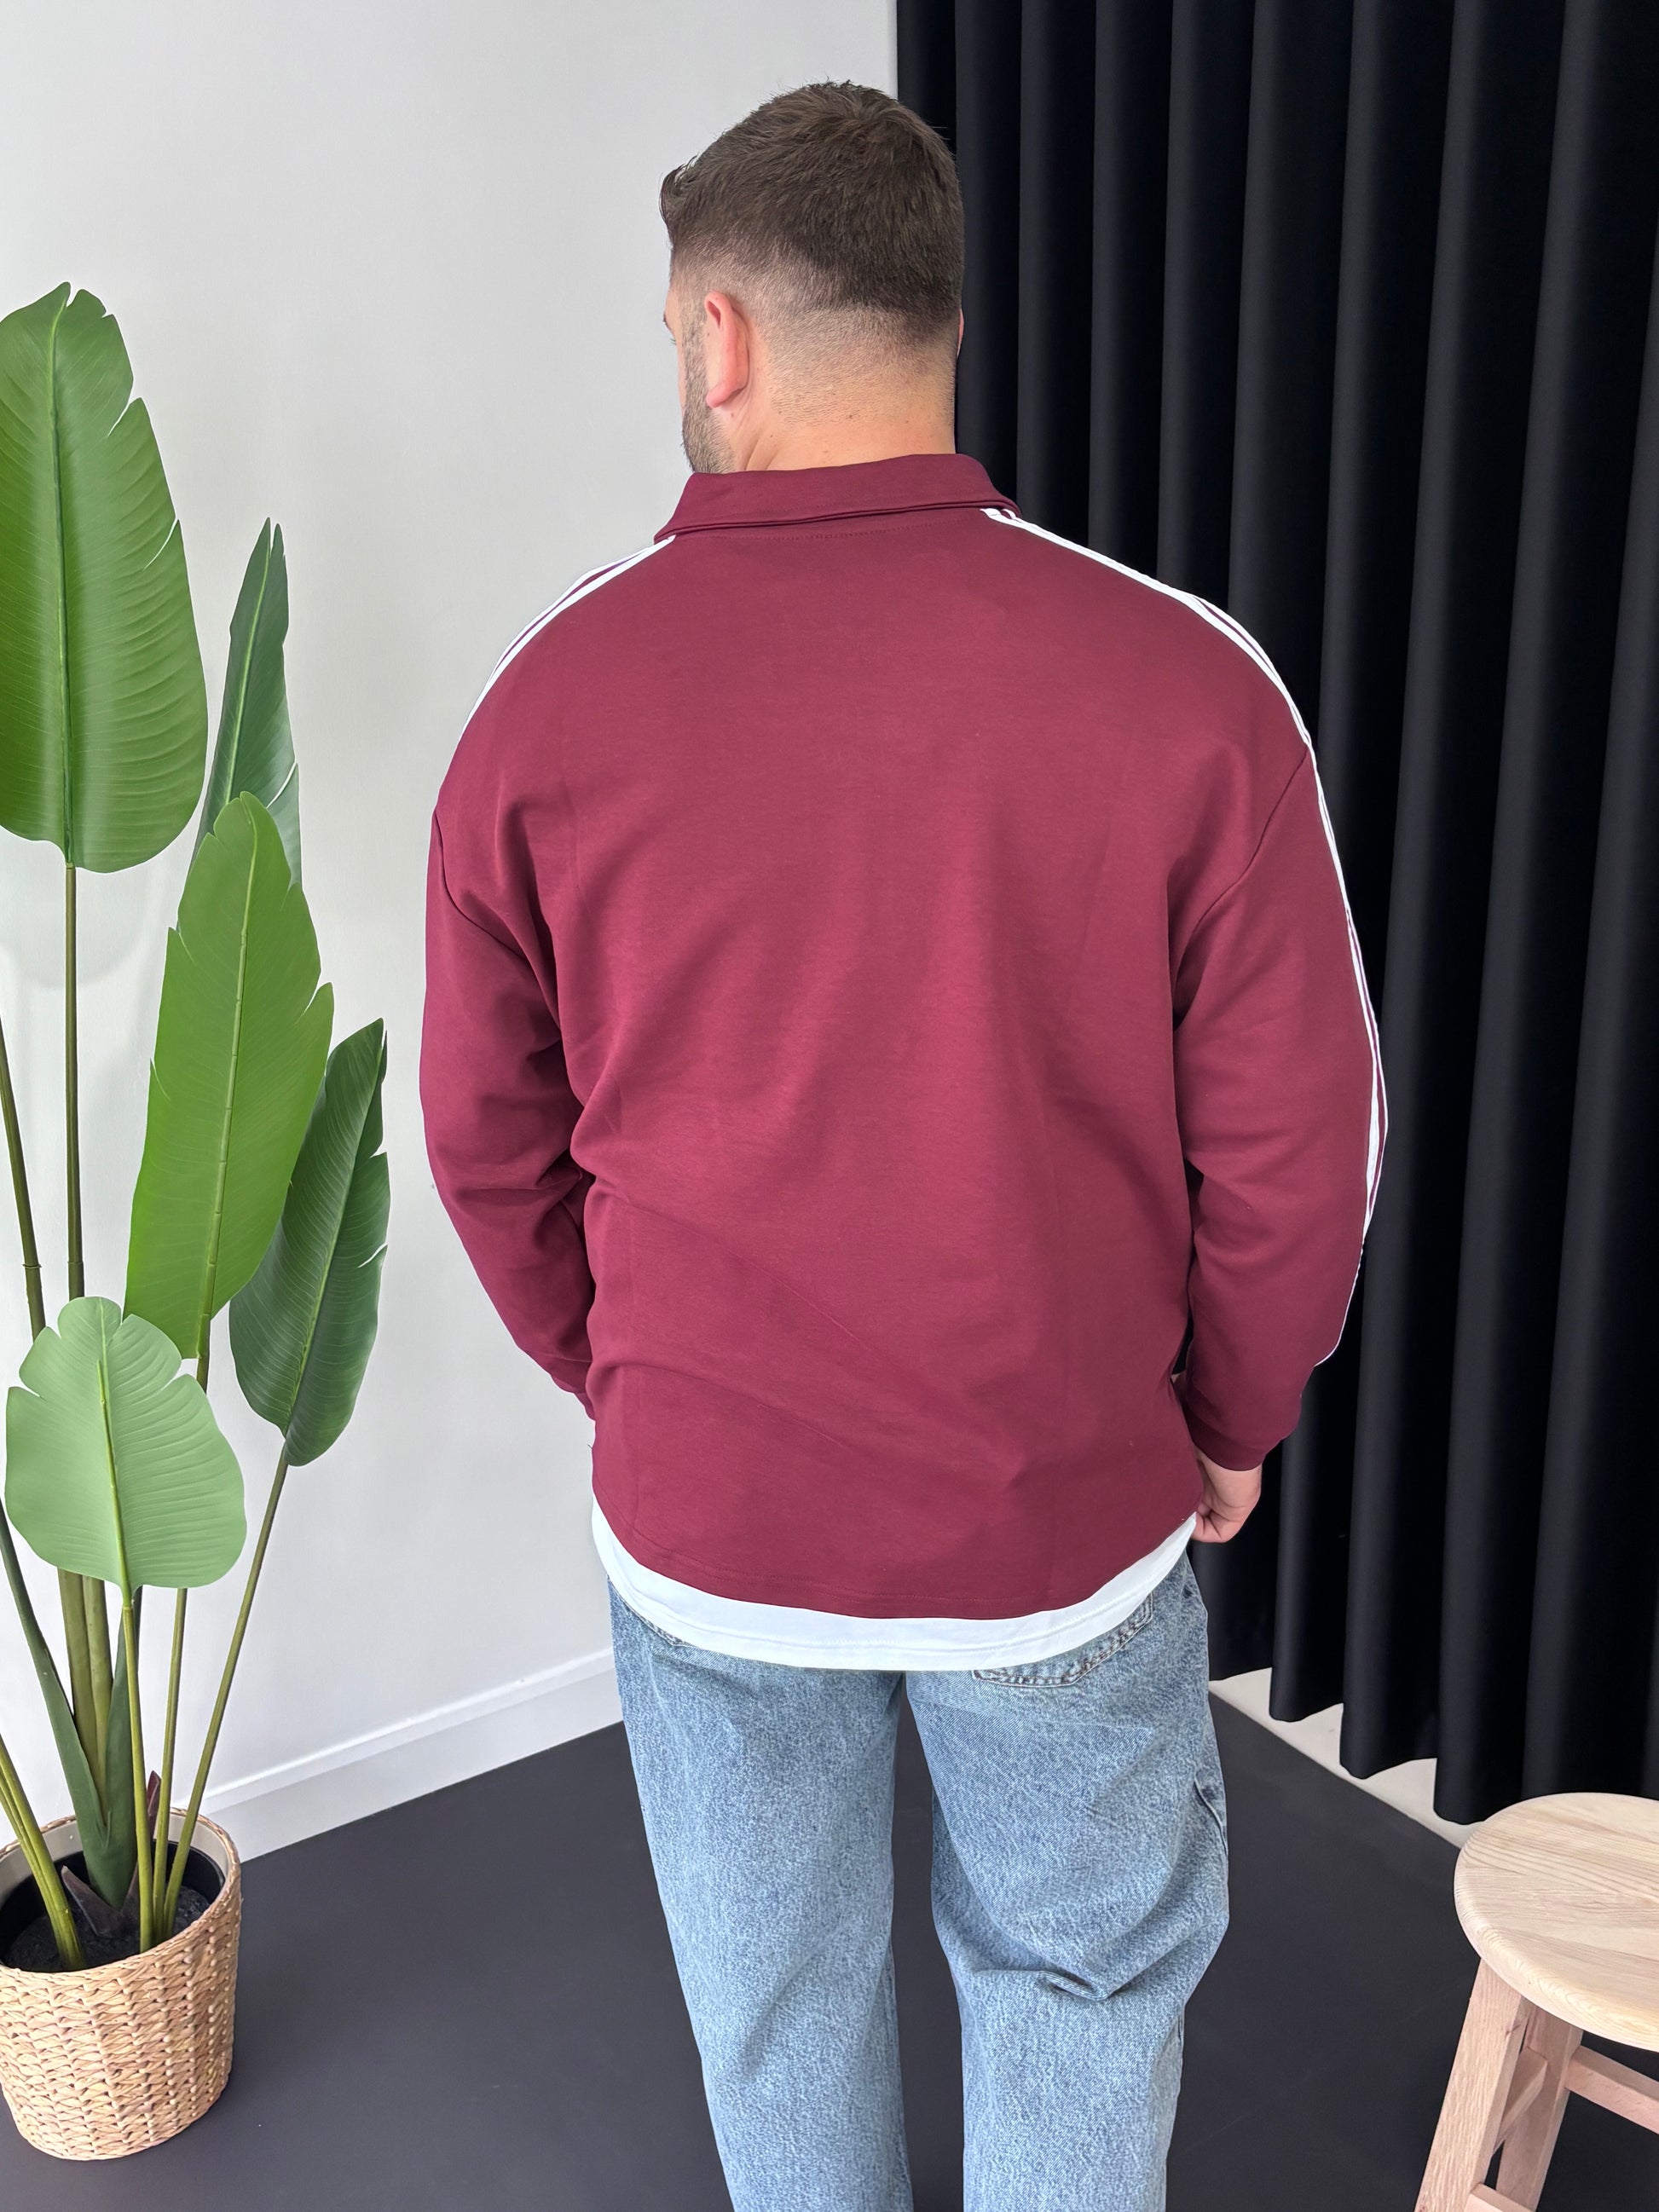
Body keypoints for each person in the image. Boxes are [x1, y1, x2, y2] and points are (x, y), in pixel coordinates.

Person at [421, 80, 1383, 2212]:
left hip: (710, 1513)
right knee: (1077, 1983)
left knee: (775, 2000)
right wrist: (1228, 1418)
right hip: (1055, 1509)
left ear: (721, 336)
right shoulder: (1190, 684)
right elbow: (1300, 1148)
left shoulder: (541, 705)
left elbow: (491, 1148)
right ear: (938, 322)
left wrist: (638, 1379)